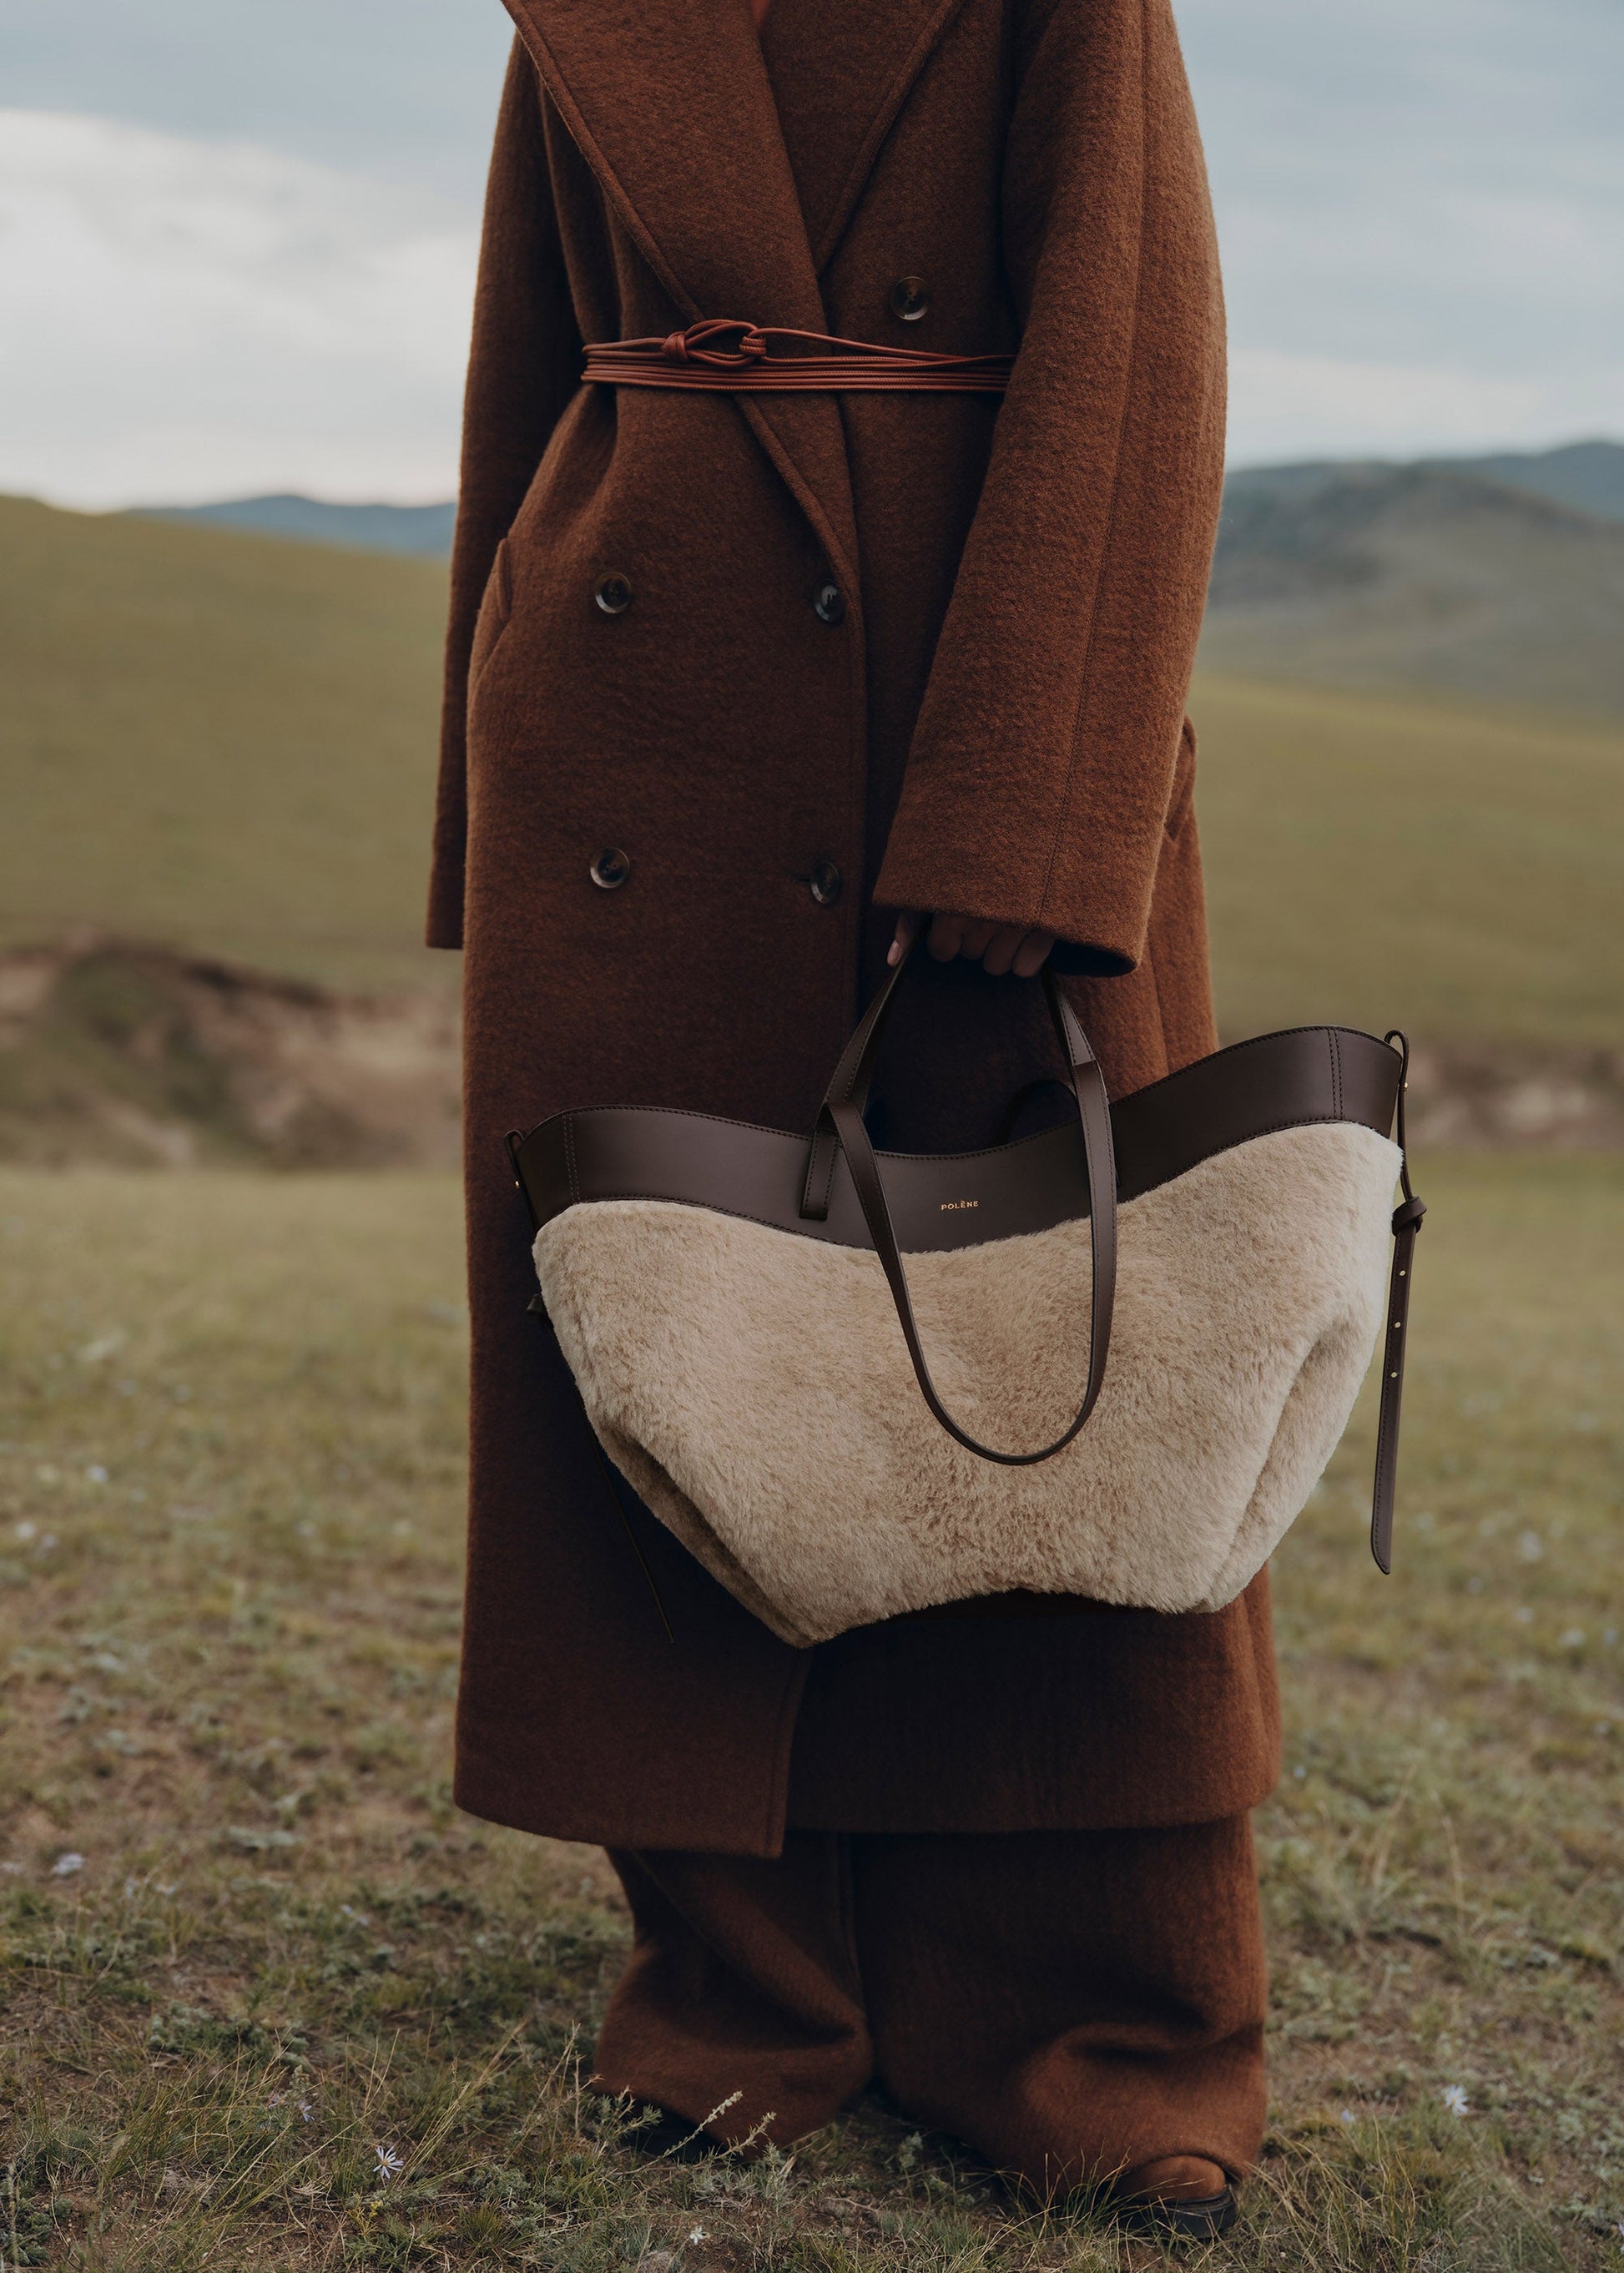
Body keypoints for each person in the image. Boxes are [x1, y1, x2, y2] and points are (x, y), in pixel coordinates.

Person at [428, 0, 1276, 2235]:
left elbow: (1139, 355)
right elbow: (526, 373)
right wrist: (485, 818)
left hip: (972, 706)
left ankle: (1095, 2024)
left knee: (1062, 1355)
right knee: (673, 1361)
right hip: (632, 737)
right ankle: (746, 1989)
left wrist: (1037, 812)